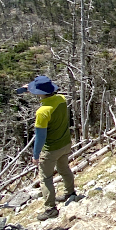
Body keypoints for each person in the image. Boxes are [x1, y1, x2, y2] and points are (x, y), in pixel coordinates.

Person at [17, 75, 75, 221]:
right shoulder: (61, 99)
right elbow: (47, 95)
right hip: (65, 143)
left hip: (51, 149)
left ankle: (50, 208)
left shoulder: (42, 112)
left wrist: (36, 155)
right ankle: (70, 193)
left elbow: (40, 136)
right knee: (64, 169)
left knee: (46, 178)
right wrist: (30, 88)